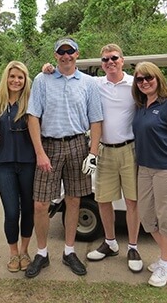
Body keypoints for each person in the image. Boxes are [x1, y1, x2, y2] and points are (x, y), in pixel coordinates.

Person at [25, 38, 103, 278]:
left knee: (74, 201)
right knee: (40, 203)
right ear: (55, 54)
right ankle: (41, 253)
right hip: (49, 145)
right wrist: (39, 152)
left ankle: (69, 251)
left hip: (79, 144)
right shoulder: (42, 79)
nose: (66, 55)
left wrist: (93, 153)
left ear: (77, 54)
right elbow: (33, 117)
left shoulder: (89, 83)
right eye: (61, 51)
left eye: (70, 51)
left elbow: (96, 120)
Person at [85, 44, 143, 273]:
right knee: (103, 199)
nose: (110, 62)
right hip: (104, 149)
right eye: (105, 59)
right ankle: (110, 242)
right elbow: (72, 75)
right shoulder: (97, 84)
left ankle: (133, 246)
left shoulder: (134, 83)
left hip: (130, 149)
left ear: (122, 60)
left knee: (132, 201)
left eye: (114, 58)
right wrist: (50, 68)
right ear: (102, 64)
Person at [131, 62, 167, 287]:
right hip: (144, 169)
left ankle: (165, 264)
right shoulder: (140, 105)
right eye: (140, 79)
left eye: (149, 78)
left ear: (158, 79)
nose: (145, 82)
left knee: (166, 219)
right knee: (146, 217)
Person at [0, 61, 36, 273]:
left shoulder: (32, 101)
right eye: (12, 76)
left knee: (28, 209)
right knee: (10, 212)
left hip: (28, 163)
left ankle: (25, 252)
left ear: (25, 80)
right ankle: (13, 253)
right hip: (4, 164)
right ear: (6, 78)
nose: (16, 81)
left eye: (20, 77)